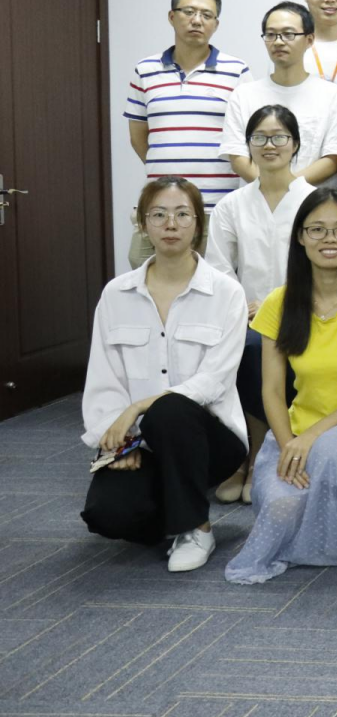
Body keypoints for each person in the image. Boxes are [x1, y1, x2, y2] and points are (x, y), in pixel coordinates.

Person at [225, 187, 337, 583]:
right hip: (296, 433)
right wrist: (289, 442)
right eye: (317, 229)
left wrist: (312, 438)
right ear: (301, 238)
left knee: (333, 452)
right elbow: (272, 391)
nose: (329, 239)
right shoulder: (279, 302)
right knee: (281, 509)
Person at [81, 178, 247, 572]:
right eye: (158, 214)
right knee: (109, 515)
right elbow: (104, 379)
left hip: (211, 440)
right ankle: (172, 505)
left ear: (198, 224)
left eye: (182, 214)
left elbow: (214, 381)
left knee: (168, 411)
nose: (170, 224)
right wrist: (121, 443)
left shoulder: (226, 292)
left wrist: (138, 408)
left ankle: (196, 527)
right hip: (143, 441)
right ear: (143, 224)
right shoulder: (116, 294)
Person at [204, 106, 312, 503]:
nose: (270, 145)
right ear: (248, 145)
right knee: (247, 349)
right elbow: (218, 268)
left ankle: (256, 458)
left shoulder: (315, 201)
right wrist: (244, 305)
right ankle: (249, 455)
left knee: (265, 350)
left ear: (295, 144)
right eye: (259, 137)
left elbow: (326, 261)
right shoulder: (232, 205)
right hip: (246, 315)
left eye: (279, 136)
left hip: (306, 311)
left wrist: (277, 304)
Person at [125, 0, 251, 267]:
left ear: (216, 24)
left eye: (207, 15)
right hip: (159, 206)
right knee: (145, 275)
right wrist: (170, 169)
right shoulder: (145, 70)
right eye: (189, 12)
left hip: (216, 208)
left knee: (215, 285)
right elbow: (138, 137)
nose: (197, 20)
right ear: (172, 16)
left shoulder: (237, 71)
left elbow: (245, 139)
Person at [220, 2, 337, 189]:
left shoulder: (333, 95)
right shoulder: (243, 95)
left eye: (289, 34)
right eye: (271, 34)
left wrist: (287, 189)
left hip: (313, 203)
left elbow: (332, 159)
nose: (278, 42)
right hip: (257, 200)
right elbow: (238, 157)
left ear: (309, 40)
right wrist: (272, 189)